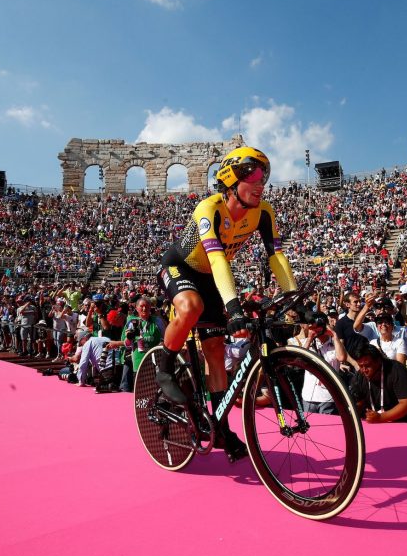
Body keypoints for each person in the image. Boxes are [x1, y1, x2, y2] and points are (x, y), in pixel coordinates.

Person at [154, 146, 297, 462]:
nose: (261, 184)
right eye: (254, 176)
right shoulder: (209, 208)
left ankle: (220, 428)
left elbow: (276, 256)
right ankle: (164, 370)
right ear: (231, 181)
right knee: (190, 308)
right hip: (180, 267)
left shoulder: (263, 212)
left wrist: (292, 296)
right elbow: (218, 258)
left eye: (264, 177)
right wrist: (233, 308)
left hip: (211, 277)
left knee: (216, 351)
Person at [347, 336, 407, 425]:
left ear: (378, 361)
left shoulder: (397, 370)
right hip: (384, 423)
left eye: (367, 365)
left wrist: (381, 417)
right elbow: (359, 401)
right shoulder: (360, 376)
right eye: (361, 366)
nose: (364, 370)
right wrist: (355, 409)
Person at [122, 296, 166, 392]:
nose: (144, 308)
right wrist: (129, 337)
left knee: (156, 391)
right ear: (137, 308)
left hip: (155, 362)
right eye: (141, 306)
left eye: (146, 306)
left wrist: (161, 343)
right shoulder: (131, 322)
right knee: (140, 392)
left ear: (150, 307)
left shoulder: (157, 321)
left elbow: (165, 338)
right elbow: (127, 344)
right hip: (138, 361)